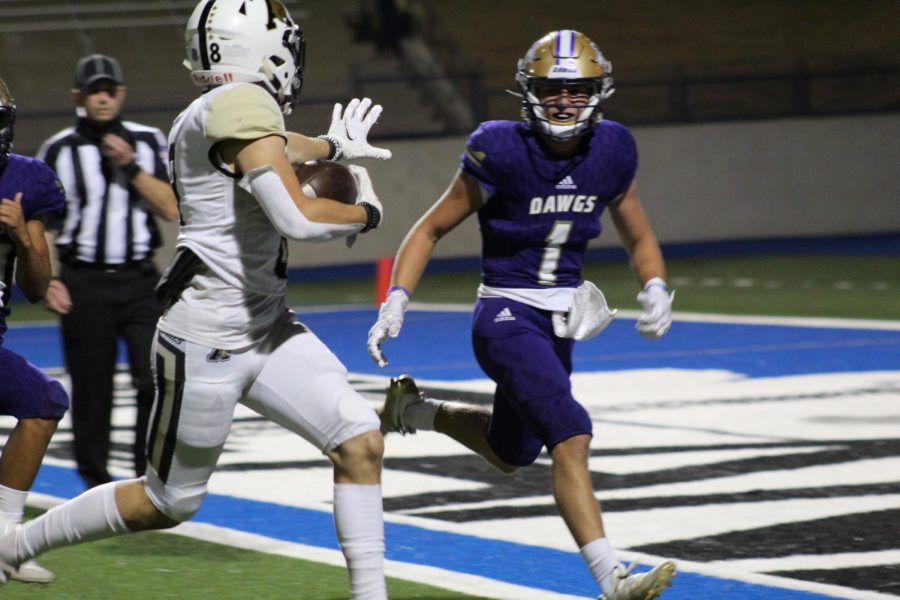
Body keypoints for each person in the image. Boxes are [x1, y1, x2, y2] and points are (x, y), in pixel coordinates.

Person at [0, 1, 390, 597]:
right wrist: (366, 211)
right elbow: (299, 218)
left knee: (359, 436)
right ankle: (14, 546)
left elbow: (277, 143)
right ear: (259, 48)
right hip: (208, 336)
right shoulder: (243, 103)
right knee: (167, 499)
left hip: (263, 324)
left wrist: (332, 148)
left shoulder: (213, 109)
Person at [368, 30, 677, 600]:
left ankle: (413, 410)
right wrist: (397, 299)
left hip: (560, 321)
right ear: (530, 91)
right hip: (507, 314)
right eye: (552, 89)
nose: (563, 100)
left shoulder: (612, 149)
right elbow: (431, 227)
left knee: (512, 453)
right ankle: (612, 578)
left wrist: (655, 285)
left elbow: (638, 233)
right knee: (572, 431)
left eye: (577, 89)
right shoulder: (501, 147)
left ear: (597, 92)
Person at [36, 54, 179, 489]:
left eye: (109, 90)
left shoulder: (147, 139)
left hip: (139, 280)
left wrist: (130, 166)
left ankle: (145, 476)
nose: (102, 98)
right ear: (78, 96)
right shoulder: (58, 149)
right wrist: (47, 280)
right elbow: (39, 221)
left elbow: (171, 208)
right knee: (92, 387)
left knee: (155, 377)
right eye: (93, 91)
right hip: (83, 281)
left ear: (121, 94)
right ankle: (95, 484)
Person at [0, 78, 70, 584]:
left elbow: (38, 286)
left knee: (44, 402)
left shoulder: (26, 180)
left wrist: (23, 235)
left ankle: (3, 539)